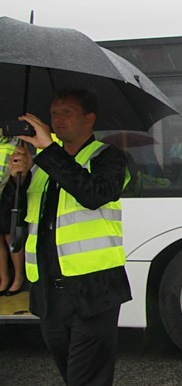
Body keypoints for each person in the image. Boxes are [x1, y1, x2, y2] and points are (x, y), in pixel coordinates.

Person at [8, 88, 132, 385]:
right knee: (72, 374)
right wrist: (18, 179)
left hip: (93, 289)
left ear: (89, 119)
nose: (57, 119)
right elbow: (12, 217)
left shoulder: (109, 157)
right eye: (53, 114)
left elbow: (93, 194)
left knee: (86, 378)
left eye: (67, 112)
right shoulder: (42, 165)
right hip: (49, 294)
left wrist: (49, 151)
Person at [1, 135, 25, 296]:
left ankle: (19, 277)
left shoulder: (15, 138)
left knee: (11, 236)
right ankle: (3, 278)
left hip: (9, 190)